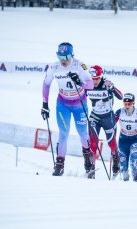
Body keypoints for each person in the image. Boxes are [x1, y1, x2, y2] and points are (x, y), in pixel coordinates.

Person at [41, 42, 94, 176]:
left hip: (79, 104)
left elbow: (91, 84)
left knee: (83, 133)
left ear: (72, 55)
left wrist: (80, 82)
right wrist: (45, 104)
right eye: (60, 57)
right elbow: (46, 84)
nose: (63, 60)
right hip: (63, 104)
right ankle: (59, 164)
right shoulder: (54, 67)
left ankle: (88, 160)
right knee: (63, 132)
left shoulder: (79, 65)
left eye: (66, 56)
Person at [86, 65, 123, 179]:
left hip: (108, 117)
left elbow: (121, 97)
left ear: (101, 76)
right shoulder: (88, 84)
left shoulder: (106, 83)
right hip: (95, 116)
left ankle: (116, 159)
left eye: (97, 78)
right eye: (93, 78)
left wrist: (112, 87)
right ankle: (91, 168)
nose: (95, 81)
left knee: (111, 143)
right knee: (93, 143)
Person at [115, 93, 137, 181]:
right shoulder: (119, 112)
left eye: (129, 104)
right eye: (125, 104)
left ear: (133, 103)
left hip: (135, 139)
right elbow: (111, 125)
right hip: (123, 139)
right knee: (123, 164)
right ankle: (125, 182)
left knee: (133, 162)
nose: (127, 106)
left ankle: (135, 180)